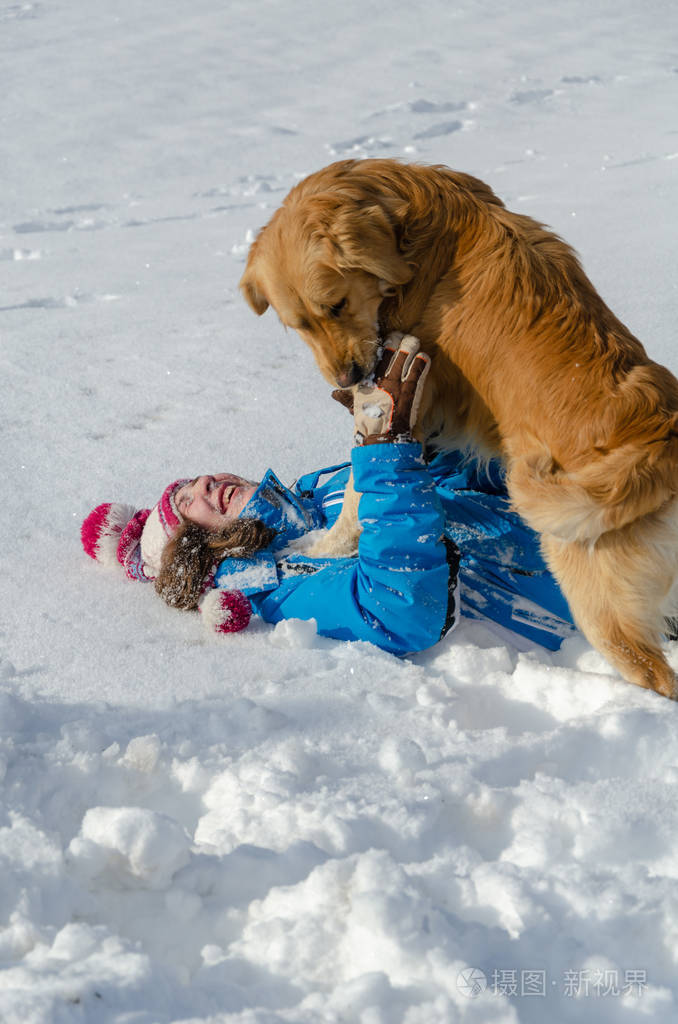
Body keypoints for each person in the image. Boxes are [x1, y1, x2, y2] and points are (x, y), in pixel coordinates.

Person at [81, 338, 576, 657]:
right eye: (189, 504)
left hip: (586, 518)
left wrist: (426, 426)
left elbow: (462, 481)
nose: (206, 484)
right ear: (201, 548)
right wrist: (387, 455)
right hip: (589, 598)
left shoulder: (315, 491)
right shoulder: (276, 584)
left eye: (194, 481)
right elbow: (399, 608)